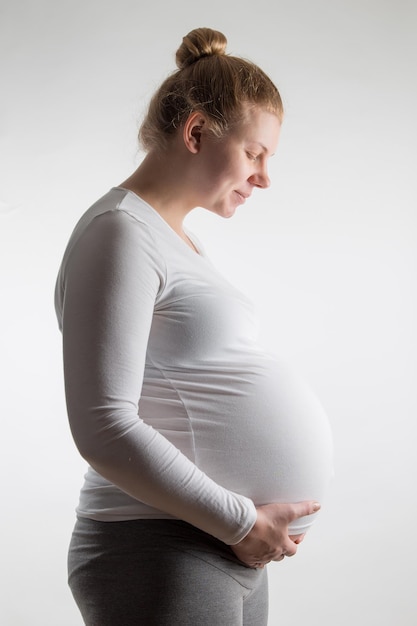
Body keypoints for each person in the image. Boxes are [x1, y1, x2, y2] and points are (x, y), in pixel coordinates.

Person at [55, 27, 333, 626]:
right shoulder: (120, 233)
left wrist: (243, 527)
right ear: (197, 131)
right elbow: (103, 425)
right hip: (160, 547)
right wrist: (240, 520)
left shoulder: (177, 240)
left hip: (216, 543)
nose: (264, 177)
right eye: (255, 153)